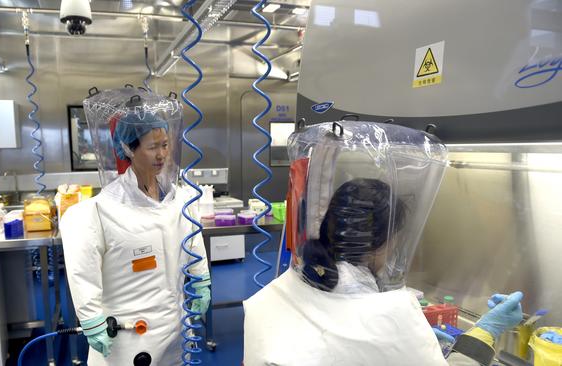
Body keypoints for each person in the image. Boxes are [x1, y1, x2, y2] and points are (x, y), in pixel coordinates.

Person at [243, 121, 524, 366]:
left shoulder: (292, 284)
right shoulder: (388, 316)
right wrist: (486, 330)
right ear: (384, 242)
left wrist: (411, 341)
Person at [60, 89, 210, 366]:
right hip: (128, 337)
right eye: (153, 147)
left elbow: (193, 240)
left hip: (175, 328)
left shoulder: (181, 200)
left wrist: (201, 279)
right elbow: (84, 271)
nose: (162, 154)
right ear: (128, 149)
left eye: (165, 144)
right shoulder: (99, 211)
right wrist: (91, 319)